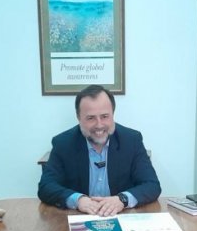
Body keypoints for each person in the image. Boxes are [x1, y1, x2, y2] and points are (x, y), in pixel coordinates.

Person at [38, 84, 161, 216]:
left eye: (104, 116)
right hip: (80, 217)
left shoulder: (131, 140)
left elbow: (152, 185)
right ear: (79, 118)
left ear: (112, 114)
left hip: (121, 216)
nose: (99, 125)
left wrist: (122, 199)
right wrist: (78, 200)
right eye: (91, 118)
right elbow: (46, 187)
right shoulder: (63, 143)